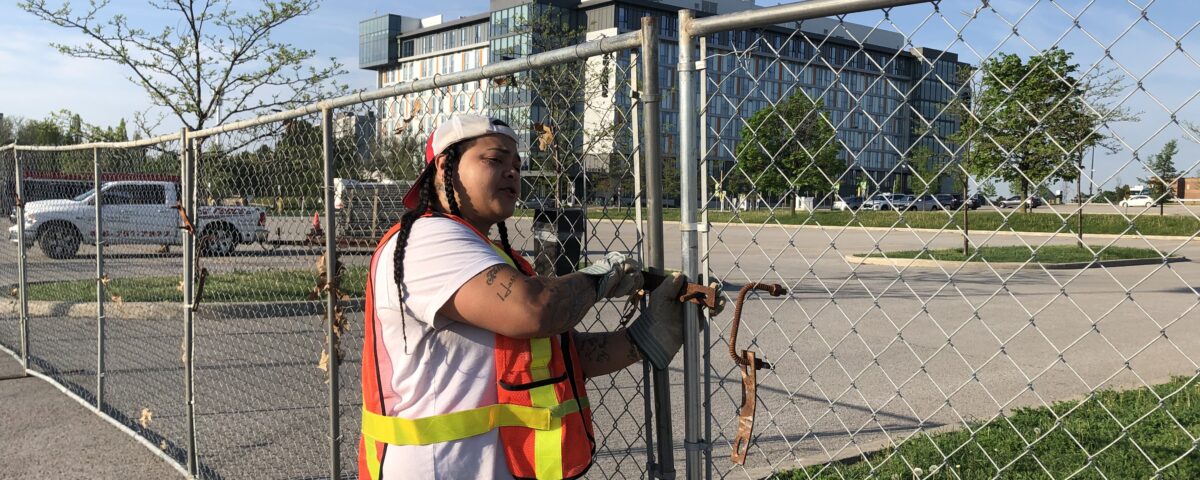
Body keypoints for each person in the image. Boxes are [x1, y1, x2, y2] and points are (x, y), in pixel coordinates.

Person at [359, 114, 689, 480]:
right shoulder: (427, 239)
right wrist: (601, 277)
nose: (512, 172)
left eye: (517, 165)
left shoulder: (489, 255)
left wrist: (643, 338)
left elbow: (561, 357)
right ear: (443, 167)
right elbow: (534, 310)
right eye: (494, 160)